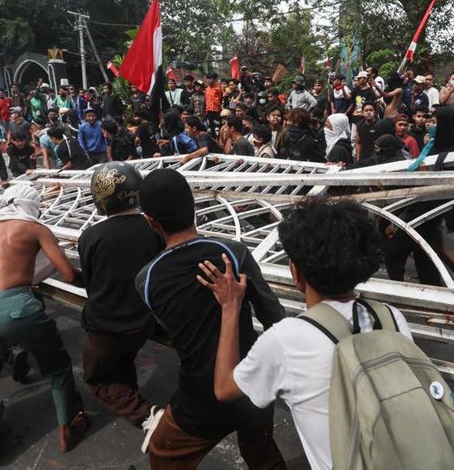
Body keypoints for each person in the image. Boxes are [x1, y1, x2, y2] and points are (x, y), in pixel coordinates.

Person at [203, 198, 413, 470]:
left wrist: (230, 308)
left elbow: (224, 388)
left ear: (295, 272)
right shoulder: (390, 316)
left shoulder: (286, 339)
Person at [134, 169, 287, 469]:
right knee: (262, 455)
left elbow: (173, 330)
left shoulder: (146, 280)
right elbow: (274, 317)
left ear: (151, 221)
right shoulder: (233, 252)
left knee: (163, 456)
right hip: (252, 385)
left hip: (200, 402)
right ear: (193, 208)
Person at [0, 185, 90, 465]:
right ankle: (67, 429)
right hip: (17, 306)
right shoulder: (35, 229)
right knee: (56, 366)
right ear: (31, 206)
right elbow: (67, 274)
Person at [78, 162, 164, 438]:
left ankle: (148, 416)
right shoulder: (153, 228)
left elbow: (91, 286)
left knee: (96, 377)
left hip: (105, 325)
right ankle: (130, 392)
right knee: (122, 362)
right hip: (144, 321)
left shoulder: (90, 236)